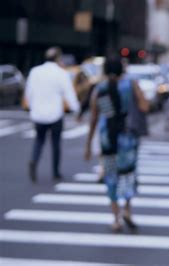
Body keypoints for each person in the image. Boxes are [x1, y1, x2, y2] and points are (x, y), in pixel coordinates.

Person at [84, 57, 149, 232]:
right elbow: (144, 106)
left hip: (108, 139)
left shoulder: (100, 89)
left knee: (111, 177)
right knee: (128, 174)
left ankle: (116, 219)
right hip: (127, 138)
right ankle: (127, 210)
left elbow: (94, 118)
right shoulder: (131, 85)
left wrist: (89, 144)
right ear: (122, 70)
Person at [25, 47, 80, 182]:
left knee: (39, 140)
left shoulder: (35, 71)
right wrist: (76, 109)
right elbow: (69, 94)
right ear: (58, 58)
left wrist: (32, 107)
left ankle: (34, 160)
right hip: (55, 114)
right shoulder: (61, 73)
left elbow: (29, 92)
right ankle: (55, 172)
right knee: (55, 144)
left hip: (38, 113)